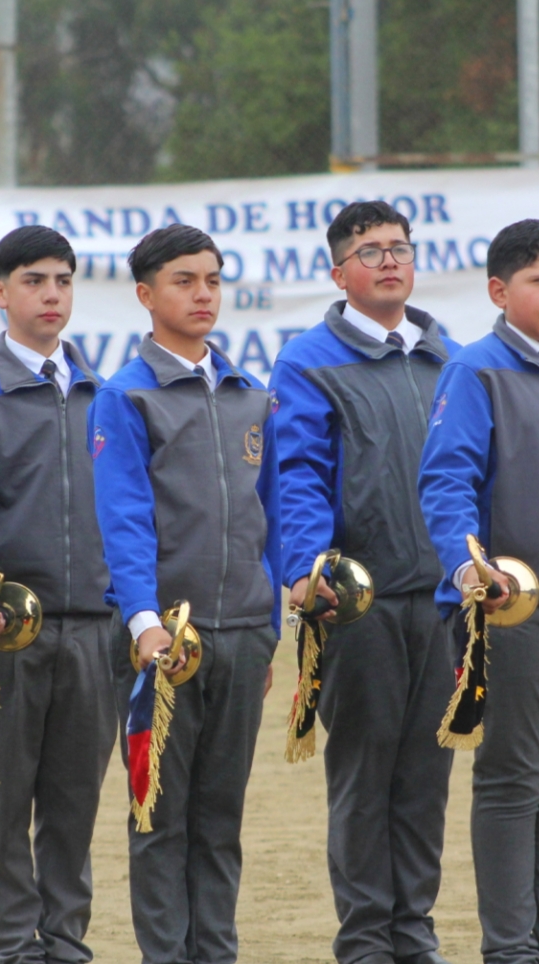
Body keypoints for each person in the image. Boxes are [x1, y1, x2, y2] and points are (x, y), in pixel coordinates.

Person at [269, 200, 460, 964]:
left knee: (425, 776)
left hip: (443, 605)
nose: (388, 260)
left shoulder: (448, 356)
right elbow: (297, 475)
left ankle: (412, 933)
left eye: (399, 248)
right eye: (370, 249)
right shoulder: (308, 360)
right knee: (364, 776)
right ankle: (366, 942)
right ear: (337, 270)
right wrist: (310, 571)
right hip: (359, 608)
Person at [90, 223, 280, 964]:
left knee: (219, 817)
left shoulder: (247, 396)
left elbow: (262, 517)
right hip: (162, 647)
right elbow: (123, 520)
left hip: (242, 636)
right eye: (183, 281)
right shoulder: (125, 398)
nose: (202, 294)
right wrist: (143, 624)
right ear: (146, 295)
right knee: (159, 818)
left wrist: (267, 628)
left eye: (211, 279)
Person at [0, 225, 116, 964]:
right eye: (34, 281)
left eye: (62, 281)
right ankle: (14, 947)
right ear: (0, 292)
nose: (50, 294)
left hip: (96, 631)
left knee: (75, 804)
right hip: (9, 634)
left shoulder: (106, 393)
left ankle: (66, 943)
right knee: (5, 804)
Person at [418, 218, 539, 964]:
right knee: (512, 777)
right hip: (511, 609)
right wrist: (470, 571)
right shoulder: (474, 370)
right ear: (498, 291)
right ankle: (510, 949)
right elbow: (444, 481)